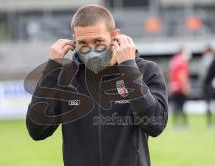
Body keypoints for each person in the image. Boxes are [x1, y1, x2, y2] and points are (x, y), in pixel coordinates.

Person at [26, 4, 168, 166]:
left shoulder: (146, 70)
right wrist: (51, 70)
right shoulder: (65, 76)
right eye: (83, 43)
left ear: (115, 36)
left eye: (98, 41)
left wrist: (129, 70)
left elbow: (155, 125)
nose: (91, 49)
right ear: (74, 41)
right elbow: (37, 131)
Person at [168, 47, 191, 128]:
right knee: (182, 106)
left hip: (174, 87)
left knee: (176, 106)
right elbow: (181, 75)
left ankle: (176, 123)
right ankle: (184, 124)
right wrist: (186, 86)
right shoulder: (182, 61)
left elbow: (171, 73)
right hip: (180, 87)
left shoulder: (174, 60)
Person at [203, 48, 215, 127]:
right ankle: (209, 122)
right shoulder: (205, 61)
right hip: (208, 85)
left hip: (210, 85)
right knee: (208, 104)